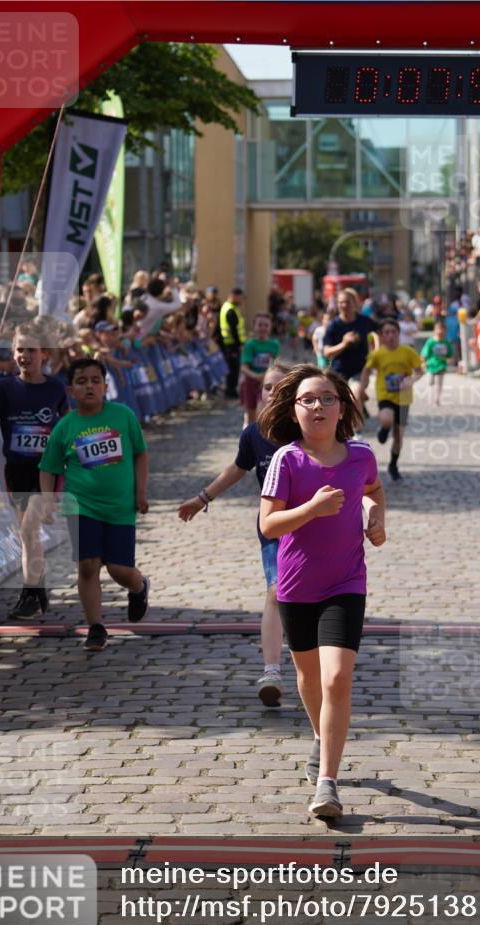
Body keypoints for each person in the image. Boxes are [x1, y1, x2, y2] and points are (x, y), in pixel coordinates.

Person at [258, 364, 386, 819]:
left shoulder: (361, 455)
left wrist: (375, 517)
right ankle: (319, 735)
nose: (318, 406)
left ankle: (327, 783)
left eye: (327, 398)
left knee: (336, 679)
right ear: (294, 410)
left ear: (342, 408)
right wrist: (312, 508)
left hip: (346, 582)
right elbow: (268, 525)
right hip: (296, 586)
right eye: (308, 399)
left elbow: (373, 490)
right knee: (310, 679)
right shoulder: (286, 460)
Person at [178, 362, 293, 706]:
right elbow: (237, 469)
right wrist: (202, 498)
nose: (273, 393)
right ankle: (271, 671)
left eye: (281, 388)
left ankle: (316, 662)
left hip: (313, 526)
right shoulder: (254, 434)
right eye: (268, 387)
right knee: (275, 591)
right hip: (273, 524)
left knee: (309, 597)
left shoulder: (308, 431)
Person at [38, 359, 149, 651]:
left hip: (120, 507)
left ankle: (139, 587)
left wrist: (140, 492)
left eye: (95, 380)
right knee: (87, 566)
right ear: (71, 390)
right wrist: (48, 500)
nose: (89, 386)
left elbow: (140, 453)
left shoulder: (123, 415)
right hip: (81, 506)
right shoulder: (66, 426)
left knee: (119, 569)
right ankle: (96, 627)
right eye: (82, 381)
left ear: (105, 386)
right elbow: (48, 468)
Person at [0, 324, 67, 619]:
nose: (24, 355)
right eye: (19, 349)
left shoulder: (55, 388)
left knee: (29, 529)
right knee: (27, 534)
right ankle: (37, 590)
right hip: (16, 470)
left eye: (31, 350)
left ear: (45, 354)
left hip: (47, 471)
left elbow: (67, 425)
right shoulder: (4, 388)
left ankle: (30, 594)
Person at [358, 318, 423, 482]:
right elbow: (366, 370)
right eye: (386, 333)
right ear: (381, 335)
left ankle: (393, 465)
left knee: (399, 435)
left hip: (404, 398)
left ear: (399, 334)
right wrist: (362, 388)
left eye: (394, 332)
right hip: (385, 395)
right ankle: (384, 429)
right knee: (386, 419)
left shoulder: (407, 352)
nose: (390, 336)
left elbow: (419, 371)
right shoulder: (377, 354)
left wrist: (411, 380)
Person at [322, 288, 375, 416]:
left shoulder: (364, 321)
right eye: (341, 302)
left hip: (360, 370)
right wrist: (344, 344)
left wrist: (376, 351)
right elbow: (327, 352)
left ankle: (358, 426)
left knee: (354, 395)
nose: (344, 305)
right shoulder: (334, 325)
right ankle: (360, 402)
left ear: (355, 303)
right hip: (339, 371)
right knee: (339, 400)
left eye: (347, 302)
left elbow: (379, 333)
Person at [238, 312, 281, 426]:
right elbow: (243, 367)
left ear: (270, 327)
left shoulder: (274, 344)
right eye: (260, 325)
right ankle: (248, 432)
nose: (263, 328)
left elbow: (277, 364)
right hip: (251, 383)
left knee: (263, 412)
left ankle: (263, 433)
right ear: (254, 326)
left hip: (267, 385)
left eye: (266, 325)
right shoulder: (250, 345)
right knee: (251, 416)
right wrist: (256, 376)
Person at [219, 287, 246, 398]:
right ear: (234, 296)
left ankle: (230, 390)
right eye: (240, 297)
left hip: (230, 344)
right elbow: (233, 329)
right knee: (233, 369)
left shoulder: (228, 307)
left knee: (232, 368)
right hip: (232, 345)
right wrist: (239, 345)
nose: (241, 300)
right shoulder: (230, 310)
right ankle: (230, 391)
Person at [421, 317, 453, 405]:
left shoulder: (446, 342)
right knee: (430, 382)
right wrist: (423, 362)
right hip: (431, 365)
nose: (441, 332)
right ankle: (431, 394)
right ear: (435, 330)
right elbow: (424, 353)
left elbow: (450, 353)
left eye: (443, 331)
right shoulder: (431, 342)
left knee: (439, 383)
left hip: (441, 365)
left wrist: (450, 359)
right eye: (439, 330)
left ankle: (436, 399)